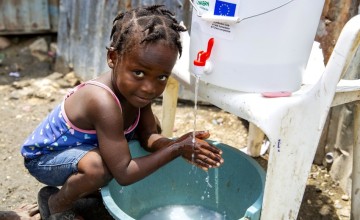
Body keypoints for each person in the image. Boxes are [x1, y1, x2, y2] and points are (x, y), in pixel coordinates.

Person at [20, 5, 224, 220]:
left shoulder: (136, 93)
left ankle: (84, 197)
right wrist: (176, 150)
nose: (149, 87)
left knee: (148, 129)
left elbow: (148, 137)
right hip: (45, 158)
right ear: (113, 58)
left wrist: (176, 143)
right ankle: (55, 204)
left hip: (83, 151)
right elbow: (124, 173)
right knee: (100, 168)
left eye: (162, 77)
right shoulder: (101, 101)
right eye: (139, 72)